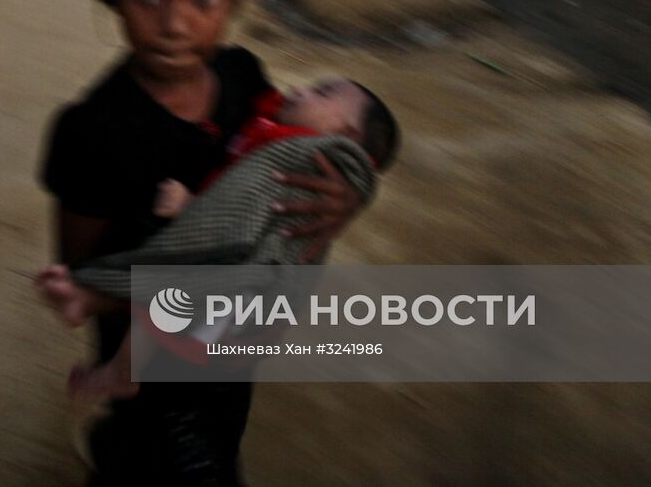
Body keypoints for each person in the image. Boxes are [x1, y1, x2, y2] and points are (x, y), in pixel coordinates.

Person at [39, 0, 369, 485]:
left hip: (229, 350)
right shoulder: (92, 131)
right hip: (151, 372)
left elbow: (295, 164)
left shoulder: (243, 79)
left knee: (218, 425)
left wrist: (340, 202)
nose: (175, 23)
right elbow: (84, 275)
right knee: (174, 459)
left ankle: (115, 449)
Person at [38, 77, 400, 398]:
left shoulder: (306, 159)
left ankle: (115, 358)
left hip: (242, 280)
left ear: (349, 137)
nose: (299, 89)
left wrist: (190, 205)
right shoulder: (281, 130)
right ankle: (109, 341)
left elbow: (245, 208)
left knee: (169, 303)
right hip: (242, 281)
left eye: (320, 93)